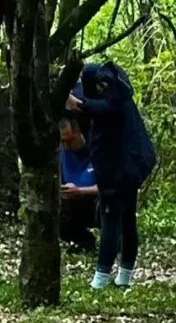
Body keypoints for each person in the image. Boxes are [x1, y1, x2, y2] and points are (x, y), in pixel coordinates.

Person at [66, 60, 156, 291]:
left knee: (112, 219)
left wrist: (80, 105)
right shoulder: (116, 95)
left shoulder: (113, 104)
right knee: (126, 220)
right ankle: (124, 275)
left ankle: (101, 277)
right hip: (129, 169)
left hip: (118, 172)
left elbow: (98, 108)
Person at [58, 114, 99, 253]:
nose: (66, 145)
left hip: (94, 201)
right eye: (63, 141)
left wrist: (81, 191)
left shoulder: (96, 150)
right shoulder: (61, 154)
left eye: (69, 141)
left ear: (77, 131)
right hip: (71, 204)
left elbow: (109, 186)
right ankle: (83, 240)